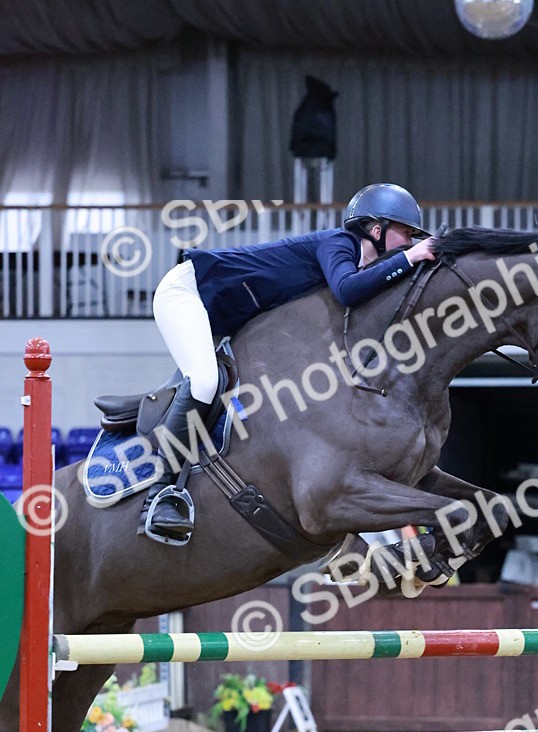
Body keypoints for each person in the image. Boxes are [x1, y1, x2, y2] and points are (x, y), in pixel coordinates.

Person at [145, 183, 436, 539]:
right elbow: (347, 290)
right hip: (185, 292)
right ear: (376, 230)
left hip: (220, 316)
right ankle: (160, 494)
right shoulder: (338, 244)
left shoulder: (357, 264)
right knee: (204, 381)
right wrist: (411, 258)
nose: (409, 242)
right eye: (405, 233)